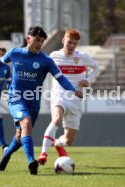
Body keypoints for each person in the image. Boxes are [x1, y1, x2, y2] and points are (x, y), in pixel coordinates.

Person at [0, 26, 83, 175]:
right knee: (26, 123)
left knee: (19, 136)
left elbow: (60, 78)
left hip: (34, 103)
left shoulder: (46, 60)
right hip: (16, 99)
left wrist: (74, 90)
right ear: (28, 39)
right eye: (37, 40)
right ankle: (31, 162)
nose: (39, 44)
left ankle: (7, 155)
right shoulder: (15, 53)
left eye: (42, 41)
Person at [38, 29, 99, 165]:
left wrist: (88, 80)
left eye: (75, 43)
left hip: (75, 99)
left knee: (68, 141)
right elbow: (42, 69)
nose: (71, 46)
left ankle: (57, 143)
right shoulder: (54, 56)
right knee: (56, 119)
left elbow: (96, 68)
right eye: (69, 42)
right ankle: (43, 154)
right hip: (58, 95)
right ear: (63, 40)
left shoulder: (82, 57)